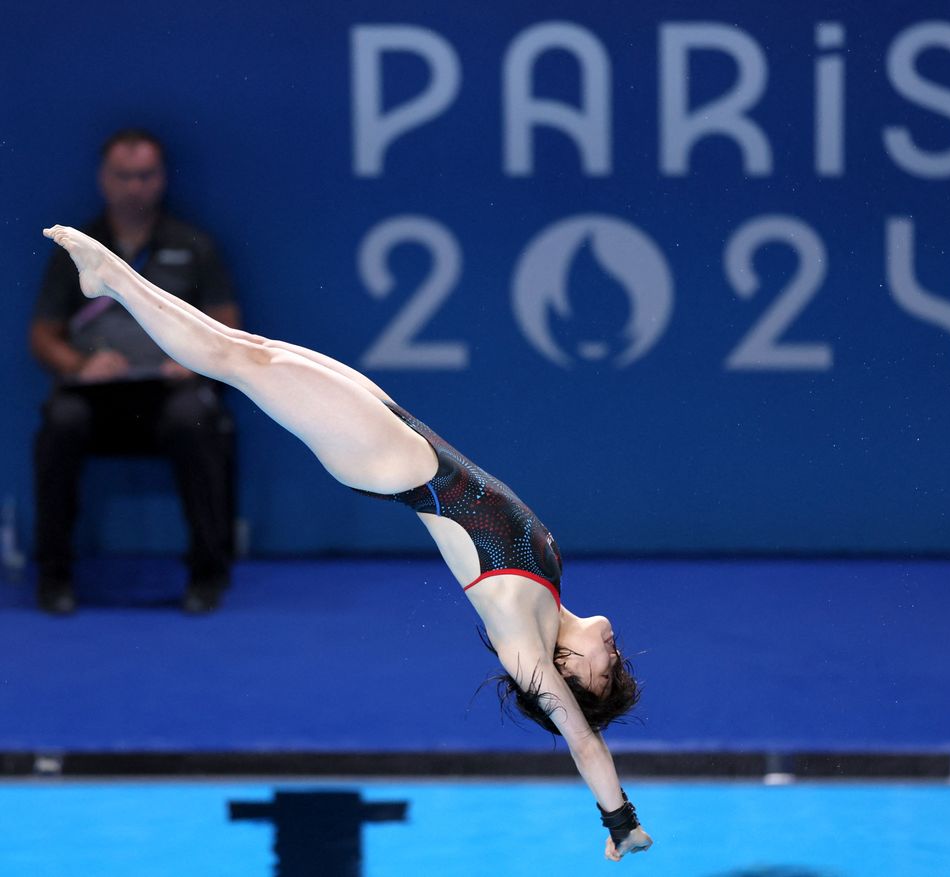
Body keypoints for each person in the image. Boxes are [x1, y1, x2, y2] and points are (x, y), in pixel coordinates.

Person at [41, 224, 654, 861]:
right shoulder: (551, 595)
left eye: (606, 671)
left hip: (387, 460)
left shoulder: (525, 648)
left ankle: (109, 279)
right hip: (405, 439)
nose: (613, 651)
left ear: (565, 678)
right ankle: (111, 277)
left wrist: (619, 821)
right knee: (244, 347)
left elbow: (584, 743)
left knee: (234, 363)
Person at [30, 130, 240, 615]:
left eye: (145, 176)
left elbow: (229, 325)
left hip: (171, 393)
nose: (134, 187)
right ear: (104, 180)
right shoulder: (74, 248)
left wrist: (194, 357)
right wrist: (81, 365)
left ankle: (207, 576)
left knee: (196, 420)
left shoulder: (195, 245)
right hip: (95, 396)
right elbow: (42, 335)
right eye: (123, 176)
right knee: (59, 424)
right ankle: (53, 577)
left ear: (160, 179)